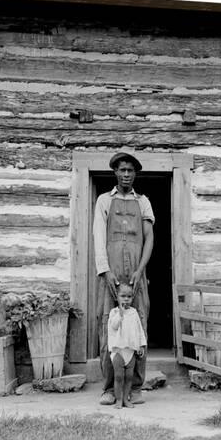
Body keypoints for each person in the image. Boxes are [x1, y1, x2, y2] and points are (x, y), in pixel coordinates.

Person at [93, 152, 154, 405]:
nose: (126, 174)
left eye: (130, 170)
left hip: (137, 273)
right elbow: (98, 236)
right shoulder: (104, 200)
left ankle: (136, 387)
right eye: (122, 170)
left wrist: (141, 269)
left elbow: (149, 237)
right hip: (111, 272)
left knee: (139, 325)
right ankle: (109, 389)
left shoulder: (143, 201)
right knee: (108, 325)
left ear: (135, 173)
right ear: (115, 173)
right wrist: (105, 270)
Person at [108, 283, 147, 409]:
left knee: (129, 377)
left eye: (129, 296)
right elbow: (114, 326)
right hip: (118, 350)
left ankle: (126, 399)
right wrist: (120, 314)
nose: (126, 299)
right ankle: (118, 399)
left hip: (130, 350)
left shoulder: (134, 312)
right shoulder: (114, 312)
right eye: (123, 296)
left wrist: (141, 345)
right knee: (119, 376)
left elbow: (139, 329)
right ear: (117, 297)